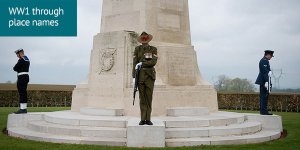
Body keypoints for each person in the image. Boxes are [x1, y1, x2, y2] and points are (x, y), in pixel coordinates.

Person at [132, 32, 158, 125]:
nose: (144, 41)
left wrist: (142, 63)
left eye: (145, 39)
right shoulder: (137, 49)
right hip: (140, 76)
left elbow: (153, 62)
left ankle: (148, 118)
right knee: (142, 98)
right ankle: (143, 119)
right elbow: (134, 63)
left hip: (150, 76)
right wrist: (134, 77)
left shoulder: (153, 49)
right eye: (143, 39)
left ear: (148, 40)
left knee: (149, 97)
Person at [255, 50, 274, 115]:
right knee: (264, 96)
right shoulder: (264, 61)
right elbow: (265, 72)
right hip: (264, 81)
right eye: (271, 56)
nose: (271, 57)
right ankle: (264, 111)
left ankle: (263, 111)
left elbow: (267, 72)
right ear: (268, 54)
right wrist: (267, 82)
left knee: (264, 96)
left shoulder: (265, 61)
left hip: (264, 81)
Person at [13, 48, 30, 114]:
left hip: (22, 77)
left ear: (20, 53)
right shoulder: (27, 59)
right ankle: (24, 108)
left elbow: (14, 68)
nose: (17, 56)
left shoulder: (21, 60)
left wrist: (18, 68)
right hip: (26, 77)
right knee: (24, 92)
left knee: (22, 93)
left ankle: (22, 109)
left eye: (17, 54)